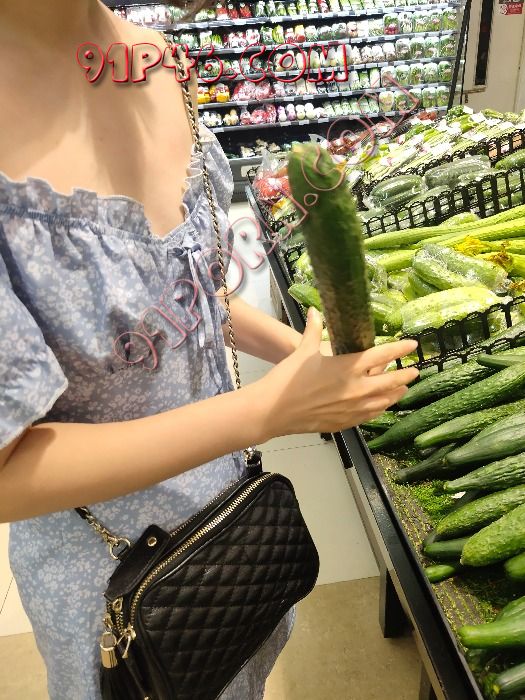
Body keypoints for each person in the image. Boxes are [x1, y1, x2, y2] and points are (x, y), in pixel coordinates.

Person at [0, 1, 419, 698]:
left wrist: (303, 358)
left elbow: (188, 292)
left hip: (237, 528)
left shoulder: (155, 62)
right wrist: (264, 412)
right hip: (119, 585)